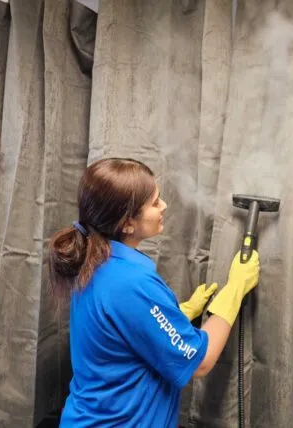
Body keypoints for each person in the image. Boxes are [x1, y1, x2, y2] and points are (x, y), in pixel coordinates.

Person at [48, 157, 260, 427]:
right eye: (155, 202)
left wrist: (182, 312)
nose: (164, 206)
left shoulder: (97, 262)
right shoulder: (131, 283)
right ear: (127, 223)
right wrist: (235, 290)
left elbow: (126, 329)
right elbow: (200, 362)